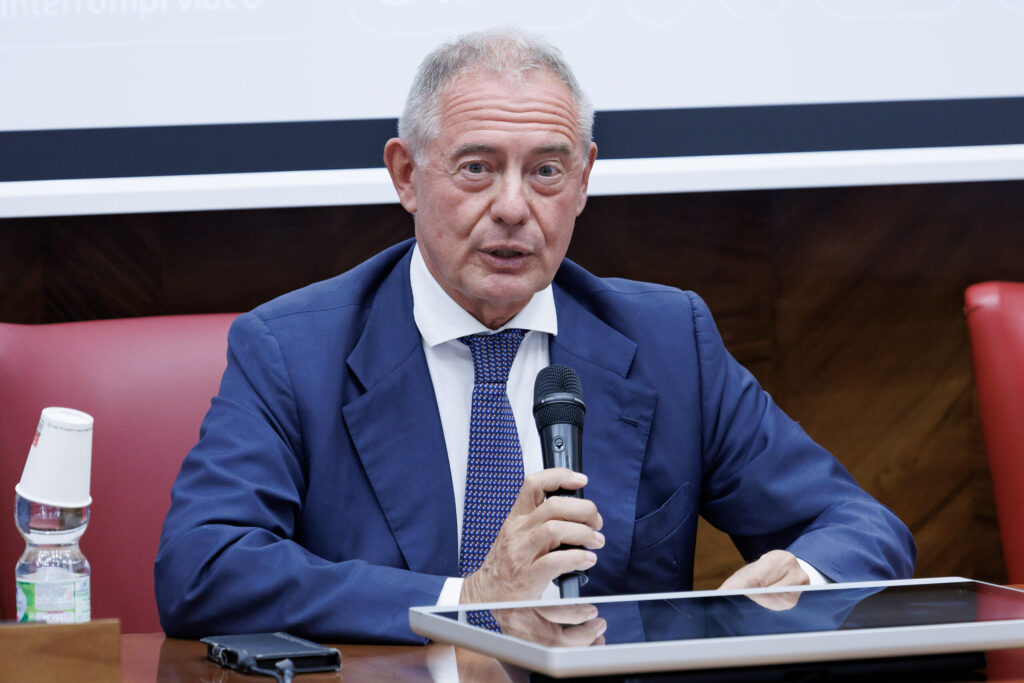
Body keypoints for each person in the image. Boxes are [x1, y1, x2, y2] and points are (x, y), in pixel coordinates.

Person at [155, 29, 915, 644]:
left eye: (546, 171)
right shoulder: (292, 351)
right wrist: (469, 602)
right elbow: (203, 567)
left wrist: (800, 578)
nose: (514, 207)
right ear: (406, 175)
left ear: (583, 180)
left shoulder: (668, 342)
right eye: (477, 169)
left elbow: (860, 525)